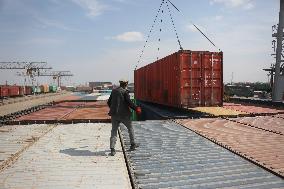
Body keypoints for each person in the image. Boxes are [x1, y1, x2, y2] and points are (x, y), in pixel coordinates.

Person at [107, 79, 142, 156]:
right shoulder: (125, 92)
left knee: (114, 131)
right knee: (130, 128)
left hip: (114, 115)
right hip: (124, 115)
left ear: (120, 84)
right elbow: (129, 103)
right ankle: (133, 145)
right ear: (126, 84)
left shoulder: (114, 91)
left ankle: (112, 149)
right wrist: (136, 108)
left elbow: (109, 102)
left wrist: (113, 109)